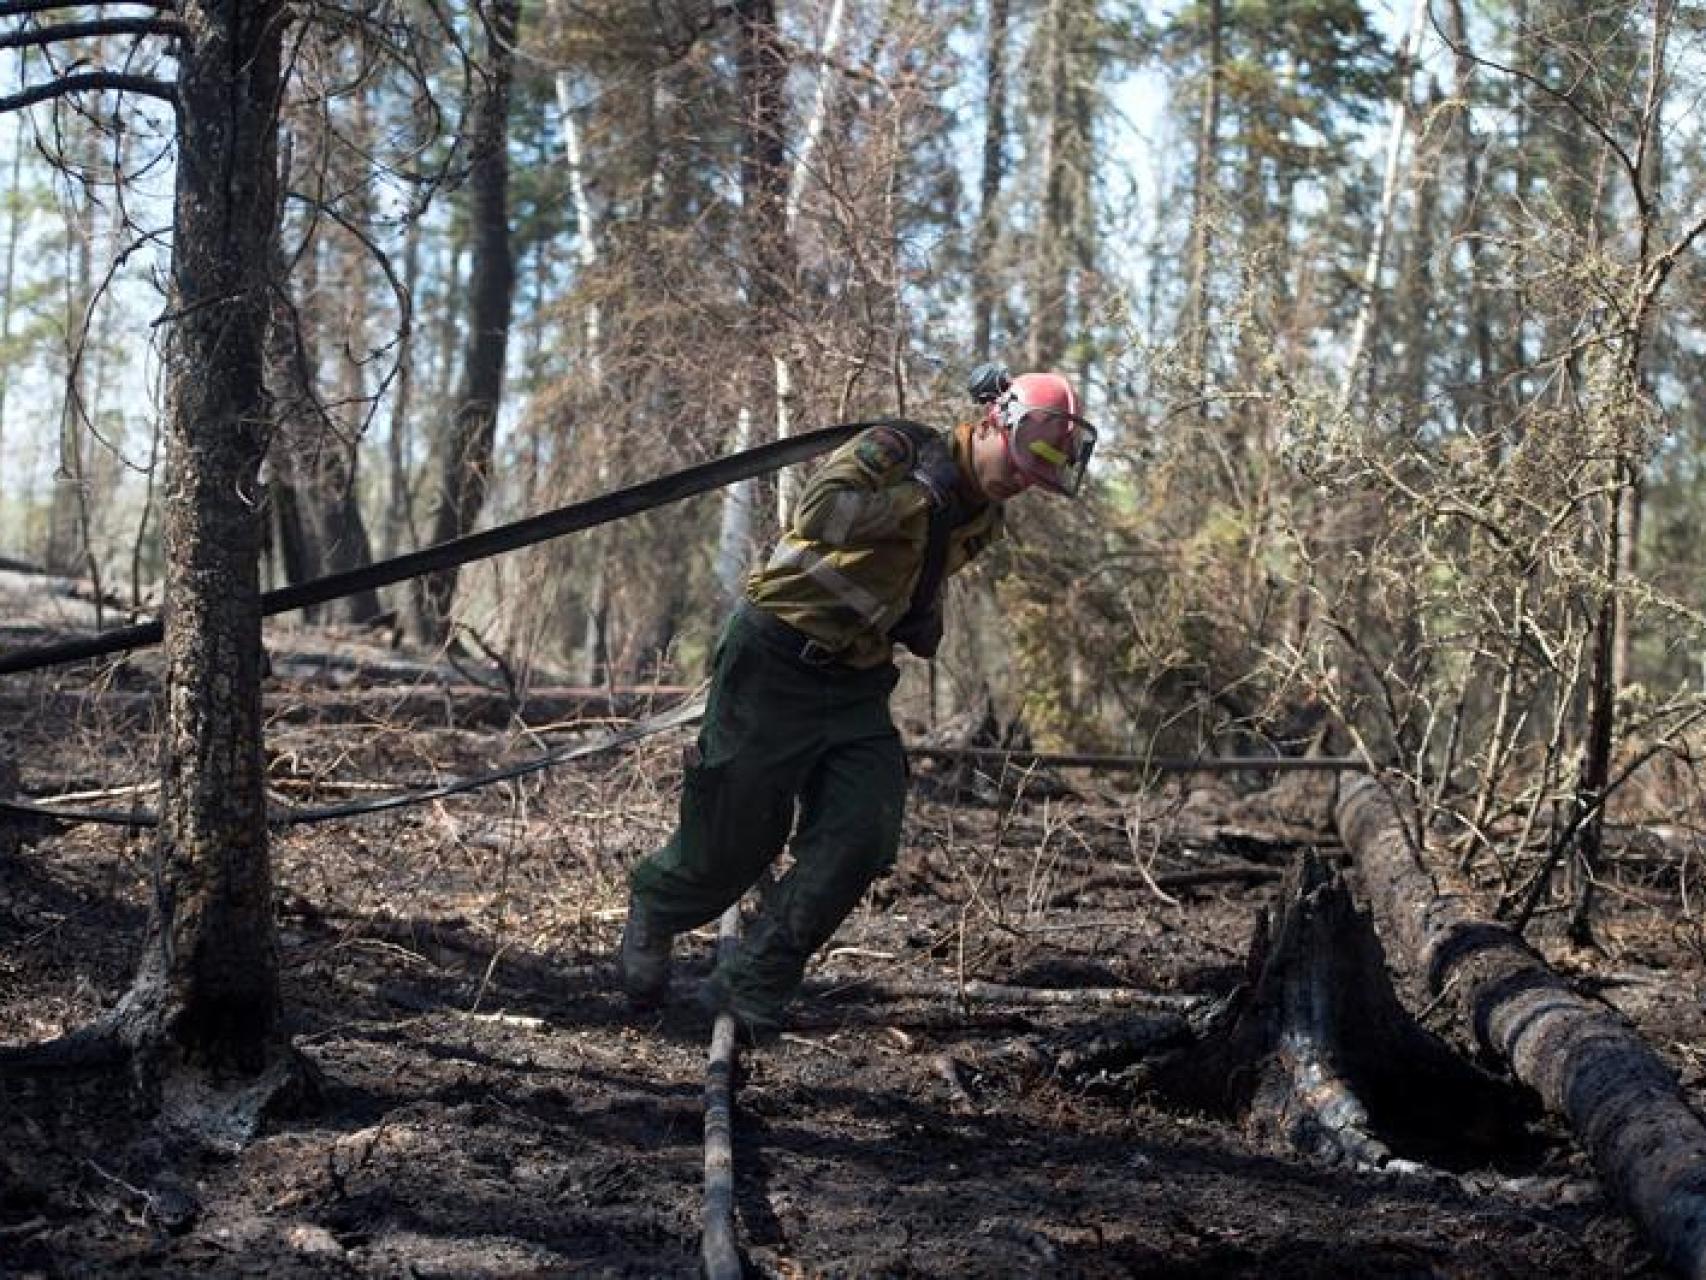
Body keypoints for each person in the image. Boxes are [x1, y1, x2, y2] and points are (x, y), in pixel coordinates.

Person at [617, 363, 1097, 1033]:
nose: (1019, 482)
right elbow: (818, 513)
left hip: (857, 682)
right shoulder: (900, 451)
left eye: (1035, 478)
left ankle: (750, 983)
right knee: (738, 838)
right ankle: (658, 905)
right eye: (1018, 463)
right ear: (994, 421)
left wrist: (923, 613)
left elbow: (911, 576)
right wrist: (917, 500)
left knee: (862, 834)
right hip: (775, 655)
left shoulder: (986, 520)